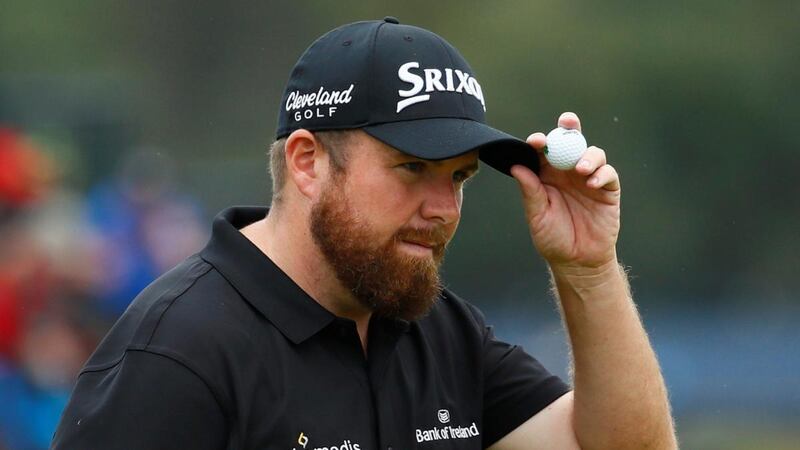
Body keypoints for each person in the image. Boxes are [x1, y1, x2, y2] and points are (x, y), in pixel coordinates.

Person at [52, 17, 677, 449]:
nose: (444, 208)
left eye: (458, 177)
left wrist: (588, 271)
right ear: (307, 162)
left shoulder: (441, 333)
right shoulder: (178, 355)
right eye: (413, 168)